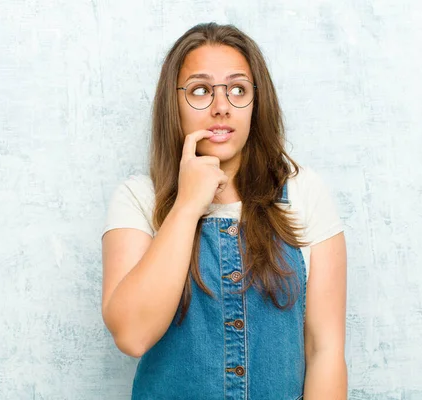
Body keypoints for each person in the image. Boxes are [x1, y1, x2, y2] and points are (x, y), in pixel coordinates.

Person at [101, 22, 347, 400]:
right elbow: (132, 335)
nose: (221, 107)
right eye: (200, 90)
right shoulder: (138, 199)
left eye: (237, 90)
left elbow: (324, 350)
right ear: (175, 102)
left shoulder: (304, 192)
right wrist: (186, 206)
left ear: (256, 103)